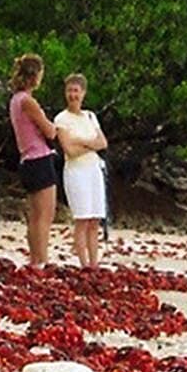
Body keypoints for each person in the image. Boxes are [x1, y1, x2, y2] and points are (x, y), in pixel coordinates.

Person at [8, 53, 60, 266]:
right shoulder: (28, 102)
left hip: (26, 159)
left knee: (34, 214)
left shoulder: (15, 100)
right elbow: (49, 131)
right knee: (45, 215)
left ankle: (34, 259)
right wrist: (55, 127)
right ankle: (42, 260)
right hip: (39, 158)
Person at [52, 73, 108, 268]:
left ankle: (94, 263)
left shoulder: (90, 116)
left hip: (93, 170)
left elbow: (102, 142)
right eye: (69, 91)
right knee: (82, 219)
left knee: (94, 220)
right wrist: (89, 144)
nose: (72, 95)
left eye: (76, 91)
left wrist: (82, 141)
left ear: (83, 93)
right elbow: (69, 150)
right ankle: (84, 264)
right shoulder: (61, 119)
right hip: (76, 172)